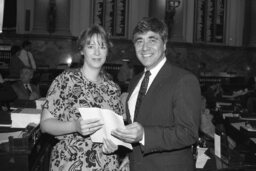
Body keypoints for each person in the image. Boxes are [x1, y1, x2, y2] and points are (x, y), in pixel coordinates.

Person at [111, 17, 201, 171]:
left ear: (164, 44)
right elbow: (137, 126)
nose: (145, 47)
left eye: (152, 40)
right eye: (139, 41)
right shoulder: (135, 81)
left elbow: (189, 133)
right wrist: (130, 158)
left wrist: (145, 135)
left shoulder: (184, 80)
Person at [40, 24, 125, 170]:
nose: (97, 52)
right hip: (70, 161)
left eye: (102, 46)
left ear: (107, 52)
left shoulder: (113, 88)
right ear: (82, 50)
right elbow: (45, 125)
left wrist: (114, 145)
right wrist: (74, 126)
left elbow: (116, 133)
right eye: (91, 46)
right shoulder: (66, 80)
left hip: (105, 163)